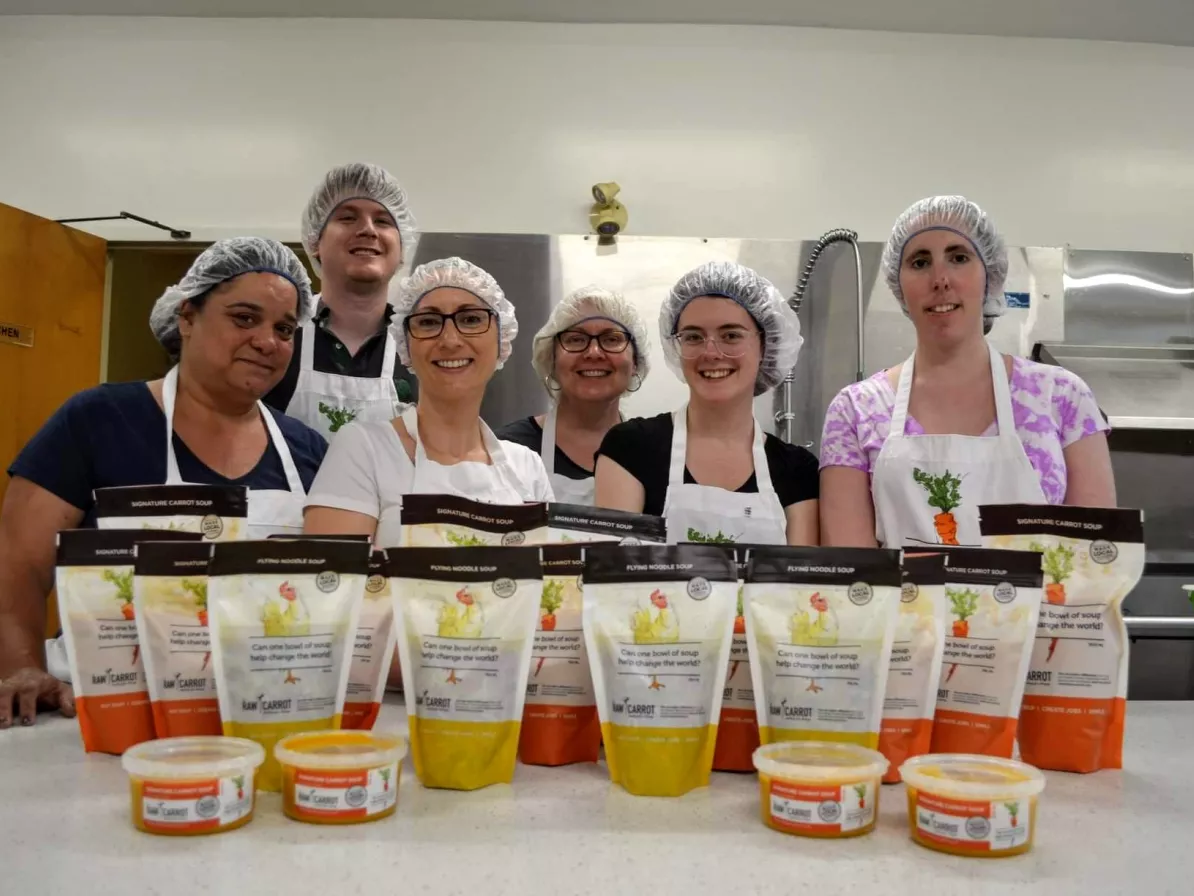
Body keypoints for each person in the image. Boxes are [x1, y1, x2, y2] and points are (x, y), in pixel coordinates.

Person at [0, 238, 327, 727]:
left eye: (284, 328)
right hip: (101, 713)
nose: (268, 341)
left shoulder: (307, 451)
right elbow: (18, 563)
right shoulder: (98, 421)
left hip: (260, 714)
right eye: (244, 318)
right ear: (187, 317)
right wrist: (23, 667)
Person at [819, 195, 1116, 549]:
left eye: (959, 258)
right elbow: (856, 576)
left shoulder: (1062, 396)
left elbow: (1094, 557)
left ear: (988, 275)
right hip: (899, 606)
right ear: (899, 286)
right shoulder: (855, 409)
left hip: (1040, 605)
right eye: (920, 262)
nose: (940, 279)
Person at [304, 257, 553, 547]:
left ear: (501, 338)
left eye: (471, 319)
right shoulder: (364, 449)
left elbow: (551, 583)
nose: (449, 340)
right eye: (428, 322)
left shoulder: (527, 467)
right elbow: (332, 583)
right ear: (406, 344)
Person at [594, 261, 819, 545]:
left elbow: (798, 586)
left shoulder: (797, 470)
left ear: (766, 345)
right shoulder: (630, 448)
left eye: (731, 335)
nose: (711, 352)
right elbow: (614, 579)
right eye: (693, 337)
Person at [263, 162, 420, 437]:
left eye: (383, 221)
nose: (368, 230)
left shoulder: (422, 342)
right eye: (348, 218)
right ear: (314, 241)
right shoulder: (275, 334)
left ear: (402, 248)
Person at [496, 287, 649, 506]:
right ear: (552, 360)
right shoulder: (508, 450)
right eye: (576, 339)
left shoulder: (654, 451)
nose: (594, 352)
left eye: (611, 339)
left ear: (635, 362)